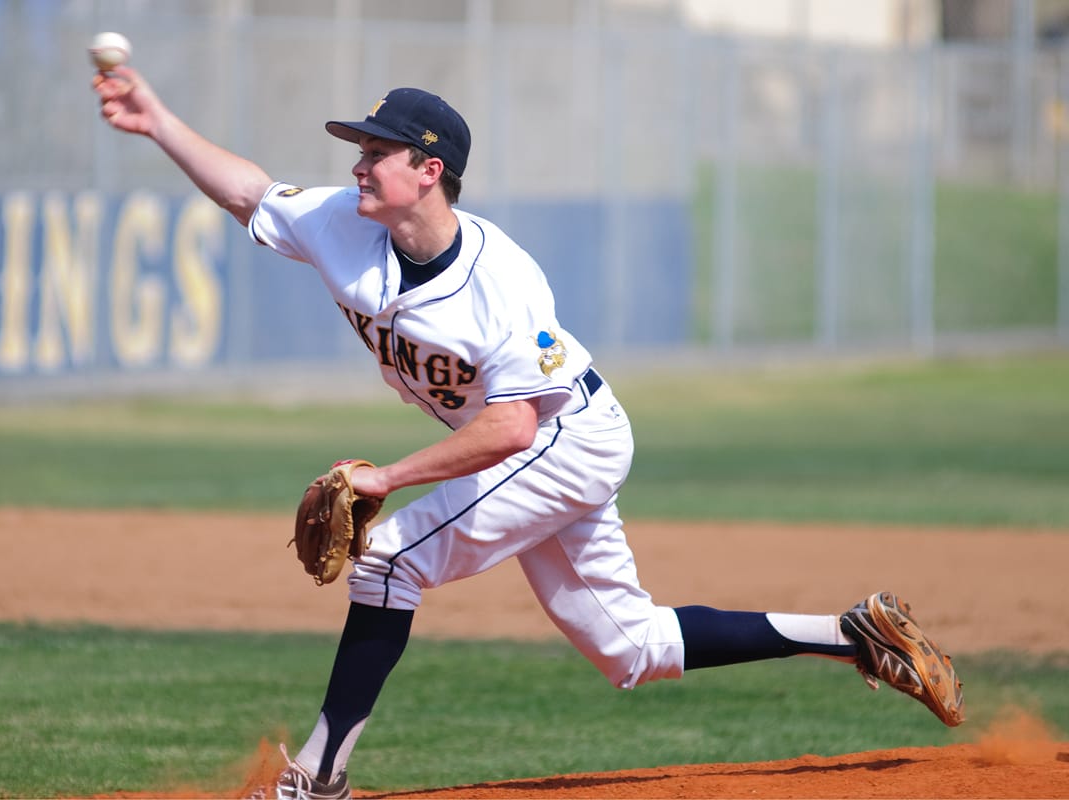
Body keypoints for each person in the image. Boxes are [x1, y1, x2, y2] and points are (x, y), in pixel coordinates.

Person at [92, 67, 965, 800]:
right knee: (631, 650)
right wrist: (157, 119)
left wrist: (387, 478)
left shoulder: (499, 279)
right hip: (528, 441)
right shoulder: (339, 226)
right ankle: (856, 632)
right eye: (359, 149)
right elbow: (249, 190)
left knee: (389, 557)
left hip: (564, 434)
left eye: (376, 151)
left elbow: (511, 427)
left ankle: (317, 778)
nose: (358, 163)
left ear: (429, 170)